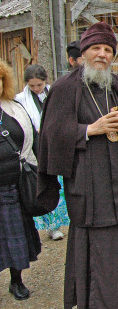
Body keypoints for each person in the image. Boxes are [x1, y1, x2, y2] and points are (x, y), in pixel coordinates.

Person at [37, 21, 118, 309]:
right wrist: (90, 129)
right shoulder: (65, 88)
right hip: (92, 188)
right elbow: (51, 137)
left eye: (107, 49)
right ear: (84, 52)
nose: (102, 54)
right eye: (95, 48)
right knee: (100, 252)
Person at [0, 60, 42, 301]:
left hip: (14, 186)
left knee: (15, 239)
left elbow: (34, 140)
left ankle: (16, 281)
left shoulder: (14, 108)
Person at [15, 65, 70, 241]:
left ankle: (58, 223)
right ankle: (46, 225)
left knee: (58, 185)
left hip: (55, 143)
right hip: (35, 146)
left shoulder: (54, 93)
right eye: (32, 86)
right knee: (42, 185)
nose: (37, 89)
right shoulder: (20, 100)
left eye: (39, 85)